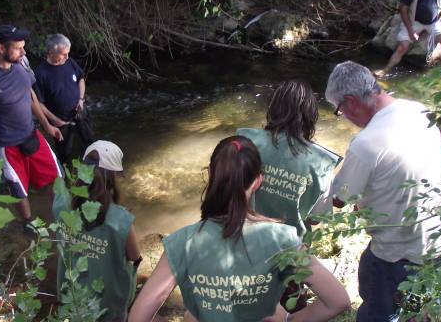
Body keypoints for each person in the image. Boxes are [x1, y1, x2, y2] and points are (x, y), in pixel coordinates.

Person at [128, 136, 350, 322]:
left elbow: (137, 318)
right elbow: (338, 301)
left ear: (211, 175)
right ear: (257, 182)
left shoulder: (182, 243)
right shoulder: (282, 240)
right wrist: (288, 320)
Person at [320, 61, 441, 322]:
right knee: (425, 308)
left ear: (350, 102)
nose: (343, 116)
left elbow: (338, 199)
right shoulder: (418, 110)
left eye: (339, 110)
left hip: (398, 250)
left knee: (378, 308)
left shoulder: (366, 144)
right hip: (440, 237)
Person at [0, 24, 63, 225]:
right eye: (18, 48)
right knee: (19, 190)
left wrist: (47, 126)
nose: (24, 51)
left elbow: (31, 97)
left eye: (23, 46)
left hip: (30, 134)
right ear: (1, 48)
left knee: (56, 179)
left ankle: (60, 218)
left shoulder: (22, 64)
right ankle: (29, 225)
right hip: (6, 145)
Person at [237, 80, 341, 237]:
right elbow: (315, 219)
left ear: (273, 109)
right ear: (311, 116)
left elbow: (226, 192)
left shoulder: (244, 143)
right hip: (289, 248)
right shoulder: (321, 162)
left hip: (243, 237)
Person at [55, 140, 141, 322]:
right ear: (112, 178)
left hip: (71, 296)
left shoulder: (61, 202)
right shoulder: (120, 219)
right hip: (109, 305)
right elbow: (134, 255)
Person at [33, 33, 95, 167]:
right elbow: (38, 103)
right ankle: (66, 178)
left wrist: (81, 99)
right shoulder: (40, 74)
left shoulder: (70, 62)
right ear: (50, 52)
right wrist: (53, 119)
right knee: (64, 153)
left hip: (80, 112)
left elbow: (81, 80)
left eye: (68, 53)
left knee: (91, 143)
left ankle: (96, 173)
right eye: (63, 54)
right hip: (61, 121)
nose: (67, 57)